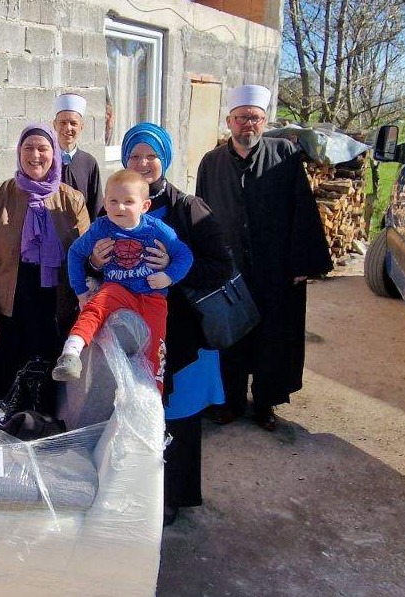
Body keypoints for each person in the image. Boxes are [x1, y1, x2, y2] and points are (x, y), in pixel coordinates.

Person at [194, 84, 332, 431]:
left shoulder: (284, 154)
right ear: (229, 121)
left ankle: (265, 403)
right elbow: (202, 215)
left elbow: (303, 208)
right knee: (231, 335)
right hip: (230, 268)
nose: (248, 125)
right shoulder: (211, 163)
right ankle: (231, 402)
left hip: (275, 266)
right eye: (241, 118)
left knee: (272, 336)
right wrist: (205, 259)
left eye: (255, 118)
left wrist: (301, 264)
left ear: (264, 121)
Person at [119, 122, 235, 526]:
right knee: (136, 415)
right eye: (135, 156)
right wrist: (96, 262)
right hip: (133, 334)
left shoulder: (189, 209)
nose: (143, 163)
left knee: (179, 418)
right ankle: (136, 489)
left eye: (151, 156)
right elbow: (93, 261)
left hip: (182, 336)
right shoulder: (116, 205)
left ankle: (173, 496)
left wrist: (175, 268)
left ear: (164, 159)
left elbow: (220, 266)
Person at [0, 123, 90, 403]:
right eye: (28, 148)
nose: (35, 155)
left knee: (45, 395)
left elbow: (85, 257)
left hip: (54, 312)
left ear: (54, 153)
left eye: (43, 148)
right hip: (8, 313)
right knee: (0, 394)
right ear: (19, 152)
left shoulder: (72, 201)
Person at [52, 169, 193, 391]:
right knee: (94, 307)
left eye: (128, 201)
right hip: (117, 289)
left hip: (151, 294)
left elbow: (184, 254)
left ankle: (154, 393)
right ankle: (71, 353)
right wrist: (80, 291)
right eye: (113, 201)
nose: (120, 207)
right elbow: (75, 253)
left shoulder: (156, 228)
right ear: (105, 203)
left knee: (157, 343)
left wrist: (169, 276)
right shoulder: (101, 227)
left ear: (144, 206)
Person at [53, 93, 103, 219]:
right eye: (63, 122)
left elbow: (96, 205)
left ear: (81, 126)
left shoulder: (89, 162)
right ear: (54, 125)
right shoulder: (45, 160)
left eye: (73, 123)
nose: (68, 128)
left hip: (82, 228)